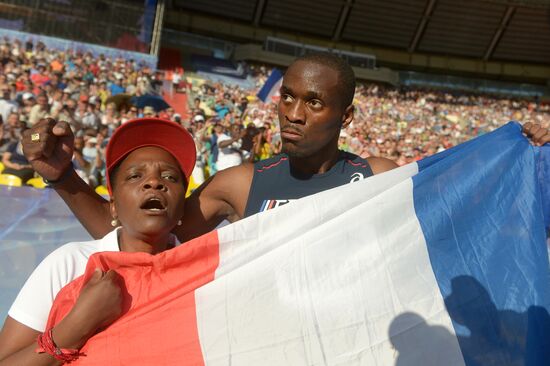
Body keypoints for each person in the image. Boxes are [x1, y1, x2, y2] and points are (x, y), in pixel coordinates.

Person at [21, 53, 550, 243]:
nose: (293, 114)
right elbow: (131, 235)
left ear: (346, 116)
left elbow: (476, 209)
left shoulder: (384, 173)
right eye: (288, 98)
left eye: (314, 103)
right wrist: (63, 176)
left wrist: (524, 155)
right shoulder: (241, 183)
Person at [0, 118, 196, 365]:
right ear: (113, 207)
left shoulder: (203, 275)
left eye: (170, 177)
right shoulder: (69, 263)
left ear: (182, 210)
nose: (154, 182)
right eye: (135, 176)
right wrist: (77, 325)